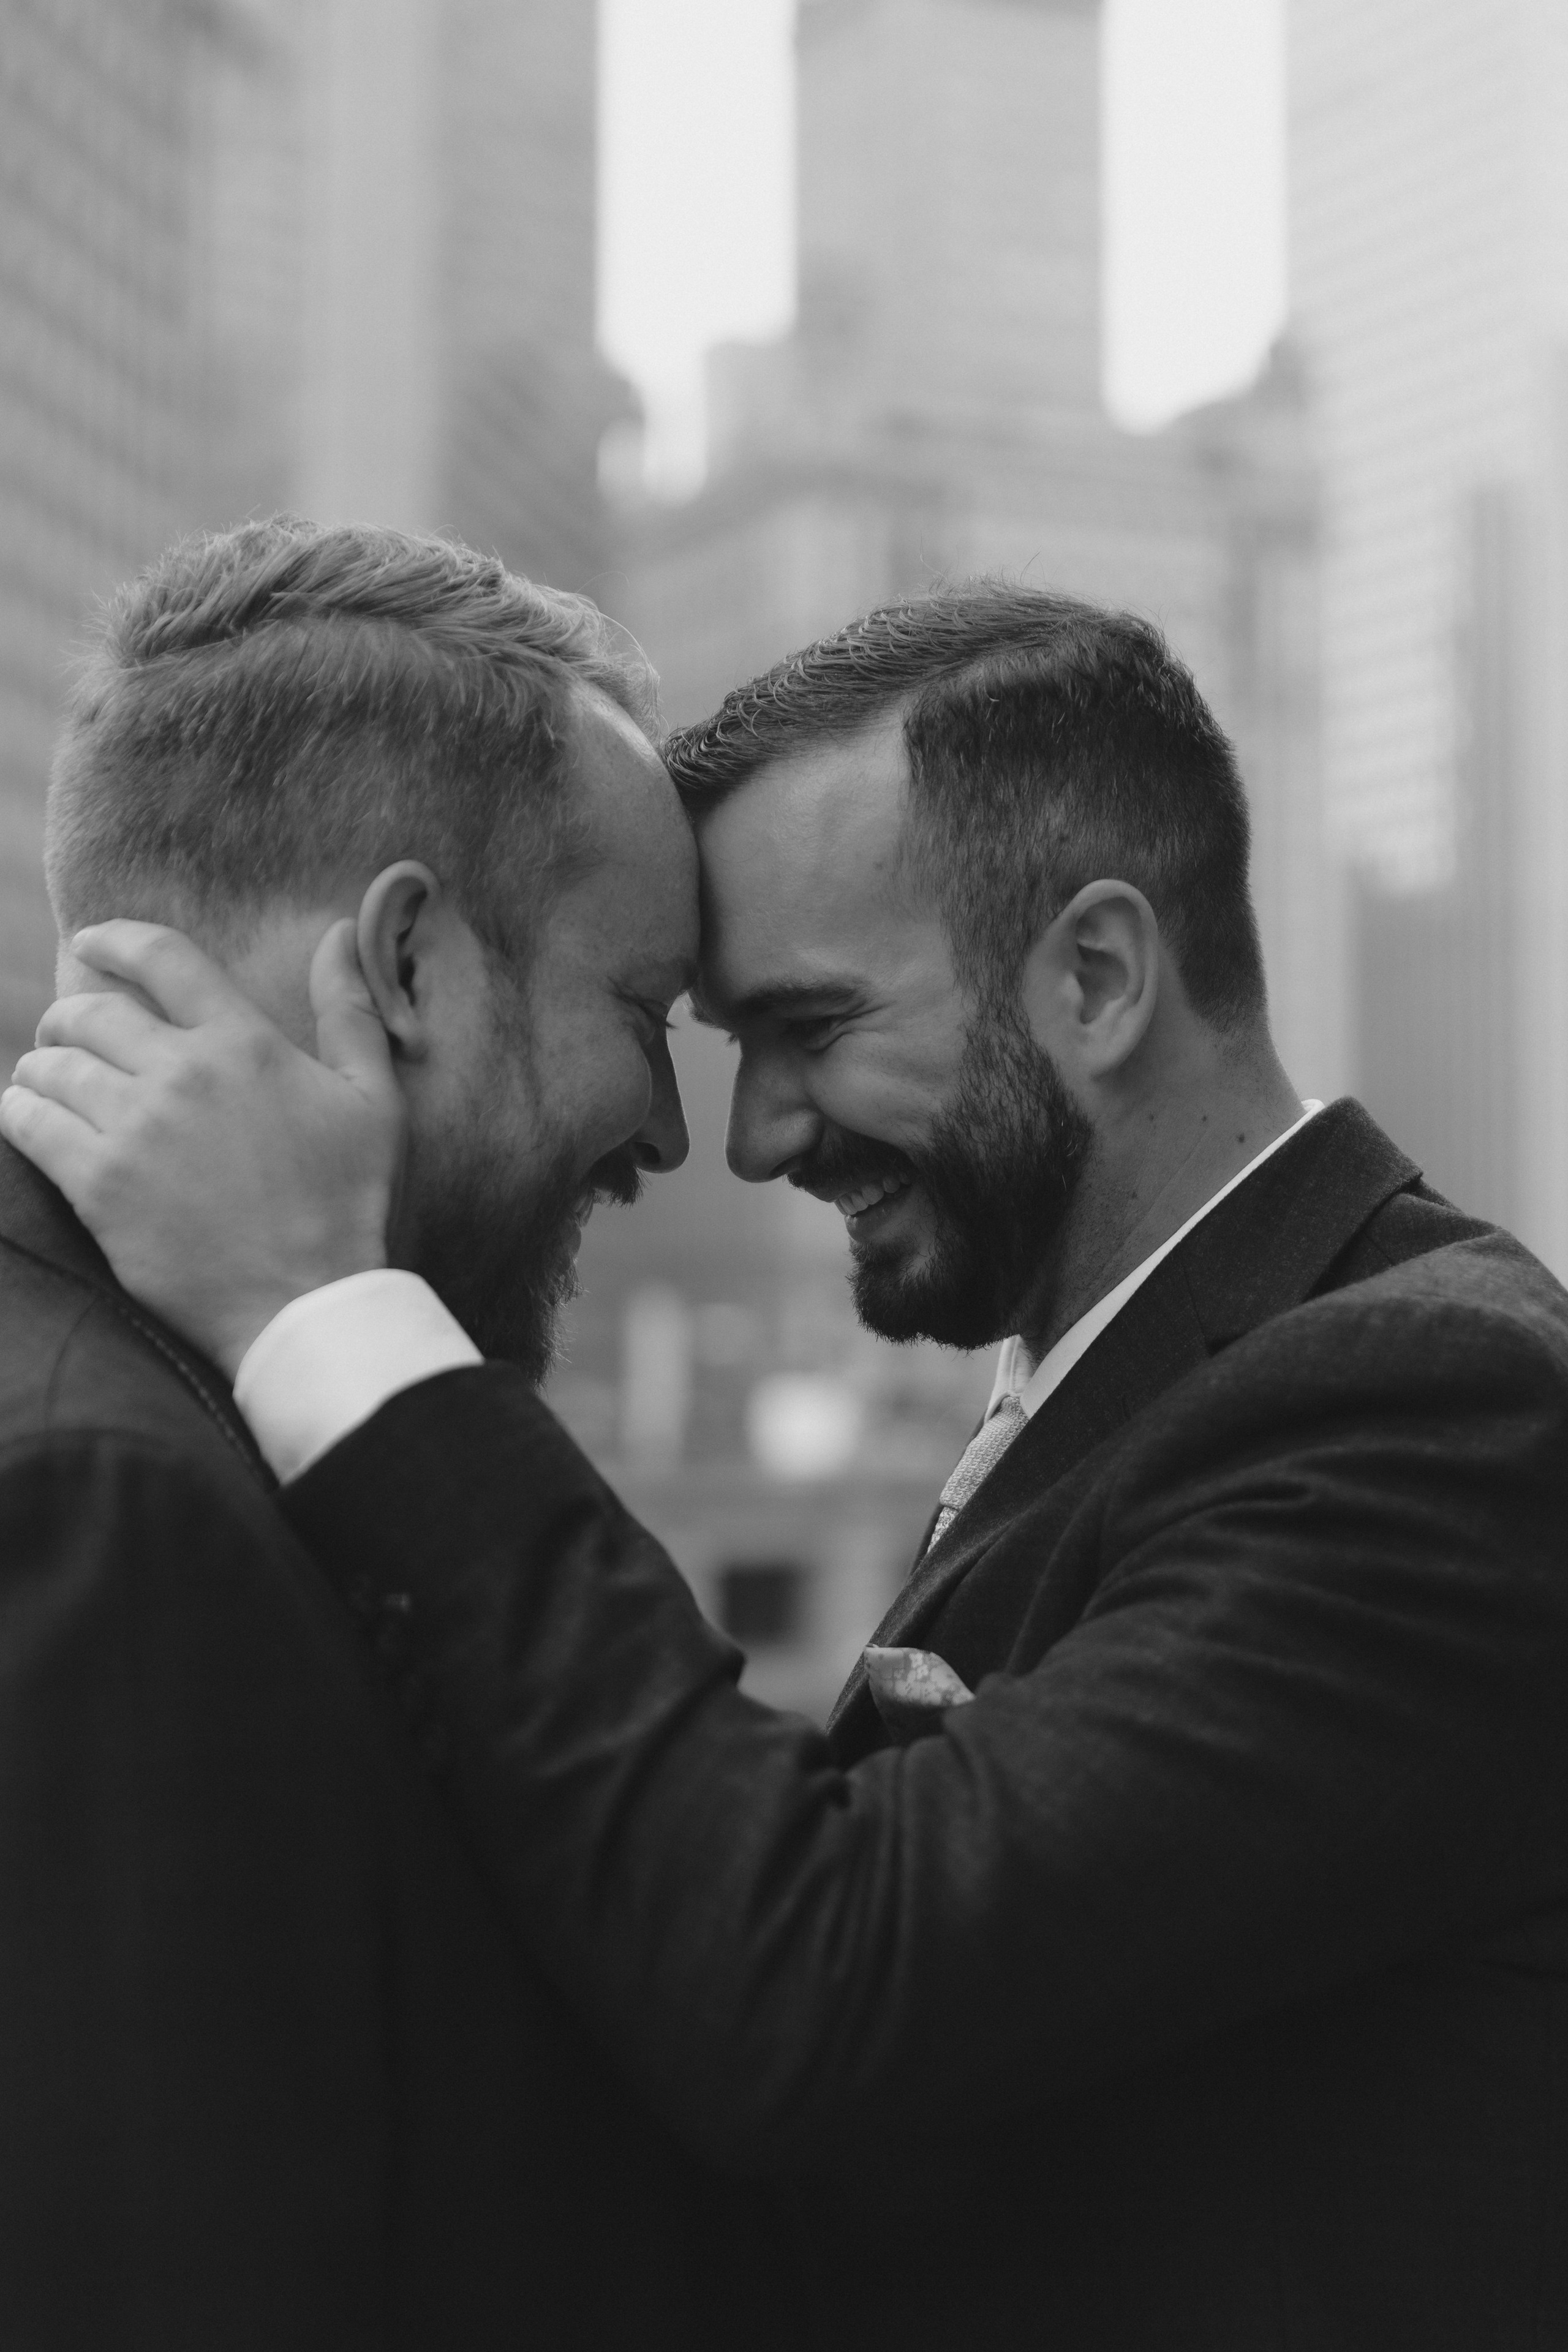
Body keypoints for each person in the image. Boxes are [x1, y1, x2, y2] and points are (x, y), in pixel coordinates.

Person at [11, 582, 1568, 2352]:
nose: (740, 1137)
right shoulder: (1124, 1388)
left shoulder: (1439, 1405)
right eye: (706, 1032)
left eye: (808, 1029)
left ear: (1099, 975)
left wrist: (328, 1313)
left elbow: (825, 1975)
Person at [0, 514, 778, 2350]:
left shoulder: (192, 1417)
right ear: (410, 961)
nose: (668, 1133)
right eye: (640, 1011)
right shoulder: (104, 1508)